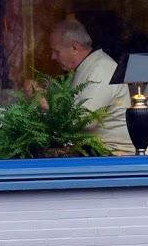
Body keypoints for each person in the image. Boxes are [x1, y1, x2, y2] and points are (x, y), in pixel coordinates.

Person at [35, 18, 134, 156]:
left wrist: (48, 105)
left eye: (56, 51)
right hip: (91, 153)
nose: (53, 57)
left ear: (74, 48)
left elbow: (84, 120)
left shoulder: (102, 69)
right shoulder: (88, 67)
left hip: (110, 156)